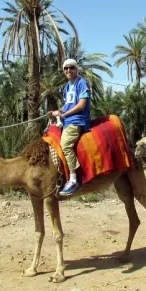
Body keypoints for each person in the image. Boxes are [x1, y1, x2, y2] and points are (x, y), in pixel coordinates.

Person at [50, 58, 91, 196]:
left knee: (65, 144)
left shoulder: (82, 83)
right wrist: (58, 112)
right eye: (66, 68)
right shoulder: (67, 86)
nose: (68, 70)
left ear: (76, 69)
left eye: (71, 67)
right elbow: (68, 104)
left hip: (77, 121)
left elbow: (81, 105)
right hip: (67, 120)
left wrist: (64, 114)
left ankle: (74, 179)